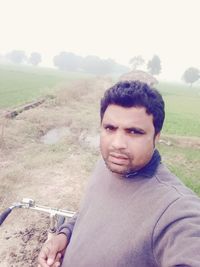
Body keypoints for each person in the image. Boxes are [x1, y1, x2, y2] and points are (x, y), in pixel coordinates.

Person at [38, 80, 200, 267]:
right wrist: (64, 235)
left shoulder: (176, 210)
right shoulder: (106, 165)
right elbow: (88, 213)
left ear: (156, 137)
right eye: (110, 128)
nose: (117, 144)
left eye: (134, 132)